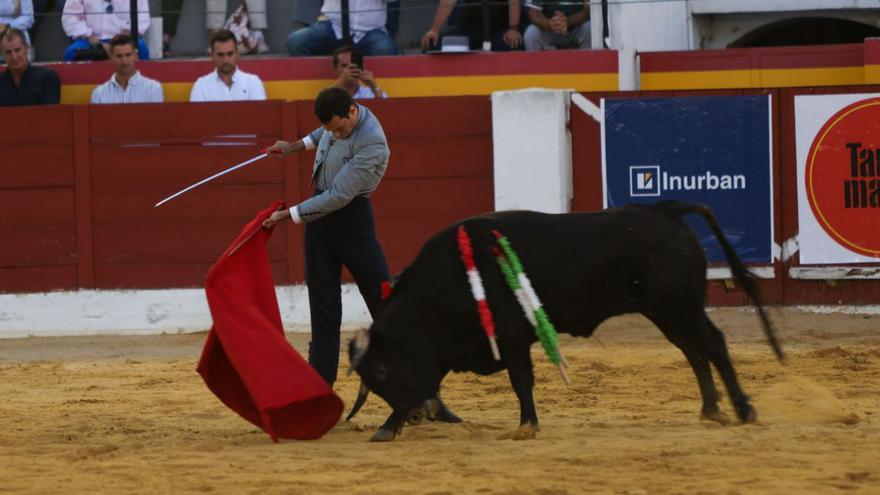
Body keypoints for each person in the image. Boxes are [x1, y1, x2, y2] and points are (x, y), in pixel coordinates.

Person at [261, 87, 461, 423]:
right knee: (323, 312)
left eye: (339, 128)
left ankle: (428, 395)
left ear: (353, 112)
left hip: (352, 225)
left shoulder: (372, 142)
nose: (335, 134)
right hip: (319, 227)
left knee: (388, 309)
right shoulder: (336, 121)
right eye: (331, 130)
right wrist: (293, 147)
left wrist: (289, 214)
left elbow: (339, 195)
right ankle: (318, 394)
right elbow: (320, 133)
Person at [286, 0, 398, 57]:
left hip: (369, 31)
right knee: (296, 41)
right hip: (333, 26)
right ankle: (313, 84)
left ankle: (373, 92)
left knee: (387, 50)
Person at [190, 28, 266, 102]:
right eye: (220, 55)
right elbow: (197, 115)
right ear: (212, 55)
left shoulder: (253, 83)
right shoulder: (201, 86)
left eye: (230, 54)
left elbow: (260, 114)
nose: (226, 60)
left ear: (237, 54)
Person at [61, 0, 151, 61]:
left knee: (142, 49)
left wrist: (119, 44)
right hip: (90, 39)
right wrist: (95, 41)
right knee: (71, 53)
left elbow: (142, 19)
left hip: (125, 39)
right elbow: (70, 18)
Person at [421, 0, 522, 52]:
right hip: (466, 32)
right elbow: (448, 1)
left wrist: (513, 29)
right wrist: (435, 30)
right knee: (431, 43)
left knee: (513, 43)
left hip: (496, 32)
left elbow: (514, 2)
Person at [90, 34, 163, 104]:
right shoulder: (98, 94)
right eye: (119, 56)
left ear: (135, 55)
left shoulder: (153, 89)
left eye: (128, 55)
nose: (124, 61)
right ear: (111, 58)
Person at [0, 28, 59, 106]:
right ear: (2, 55)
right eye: (8, 52)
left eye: (17, 50)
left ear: (27, 49)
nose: (14, 56)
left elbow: (50, 115)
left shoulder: (48, 78)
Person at [522, 0, 590, 51]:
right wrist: (549, 24)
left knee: (590, 28)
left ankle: (588, 65)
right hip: (550, 29)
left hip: (576, 29)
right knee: (531, 34)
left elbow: (589, 9)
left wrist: (567, 22)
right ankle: (537, 67)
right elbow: (534, 13)